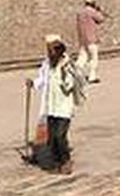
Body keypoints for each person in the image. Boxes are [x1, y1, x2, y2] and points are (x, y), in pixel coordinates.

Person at [26, 34, 86, 174]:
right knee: (52, 138)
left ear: (59, 52)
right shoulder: (46, 64)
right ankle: (56, 162)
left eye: (52, 51)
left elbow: (69, 86)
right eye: (48, 51)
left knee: (60, 136)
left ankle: (65, 161)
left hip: (64, 108)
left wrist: (65, 77)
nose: (50, 54)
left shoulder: (67, 65)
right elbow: (42, 79)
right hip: (50, 107)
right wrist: (33, 84)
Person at [76, 0, 107, 83]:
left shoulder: (80, 13)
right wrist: (99, 10)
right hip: (91, 38)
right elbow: (101, 19)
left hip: (83, 39)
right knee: (93, 58)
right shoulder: (92, 12)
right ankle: (92, 76)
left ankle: (76, 75)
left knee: (82, 58)